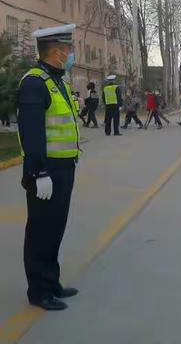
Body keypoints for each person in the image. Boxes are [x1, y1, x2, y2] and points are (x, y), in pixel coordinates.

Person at [17, 24, 80, 311]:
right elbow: (32, 133)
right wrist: (38, 172)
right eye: (68, 50)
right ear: (56, 52)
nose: (71, 54)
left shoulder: (58, 81)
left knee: (55, 228)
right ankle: (39, 291)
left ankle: (51, 281)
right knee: (41, 230)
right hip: (47, 172)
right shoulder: (34, 82)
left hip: (64, 169)